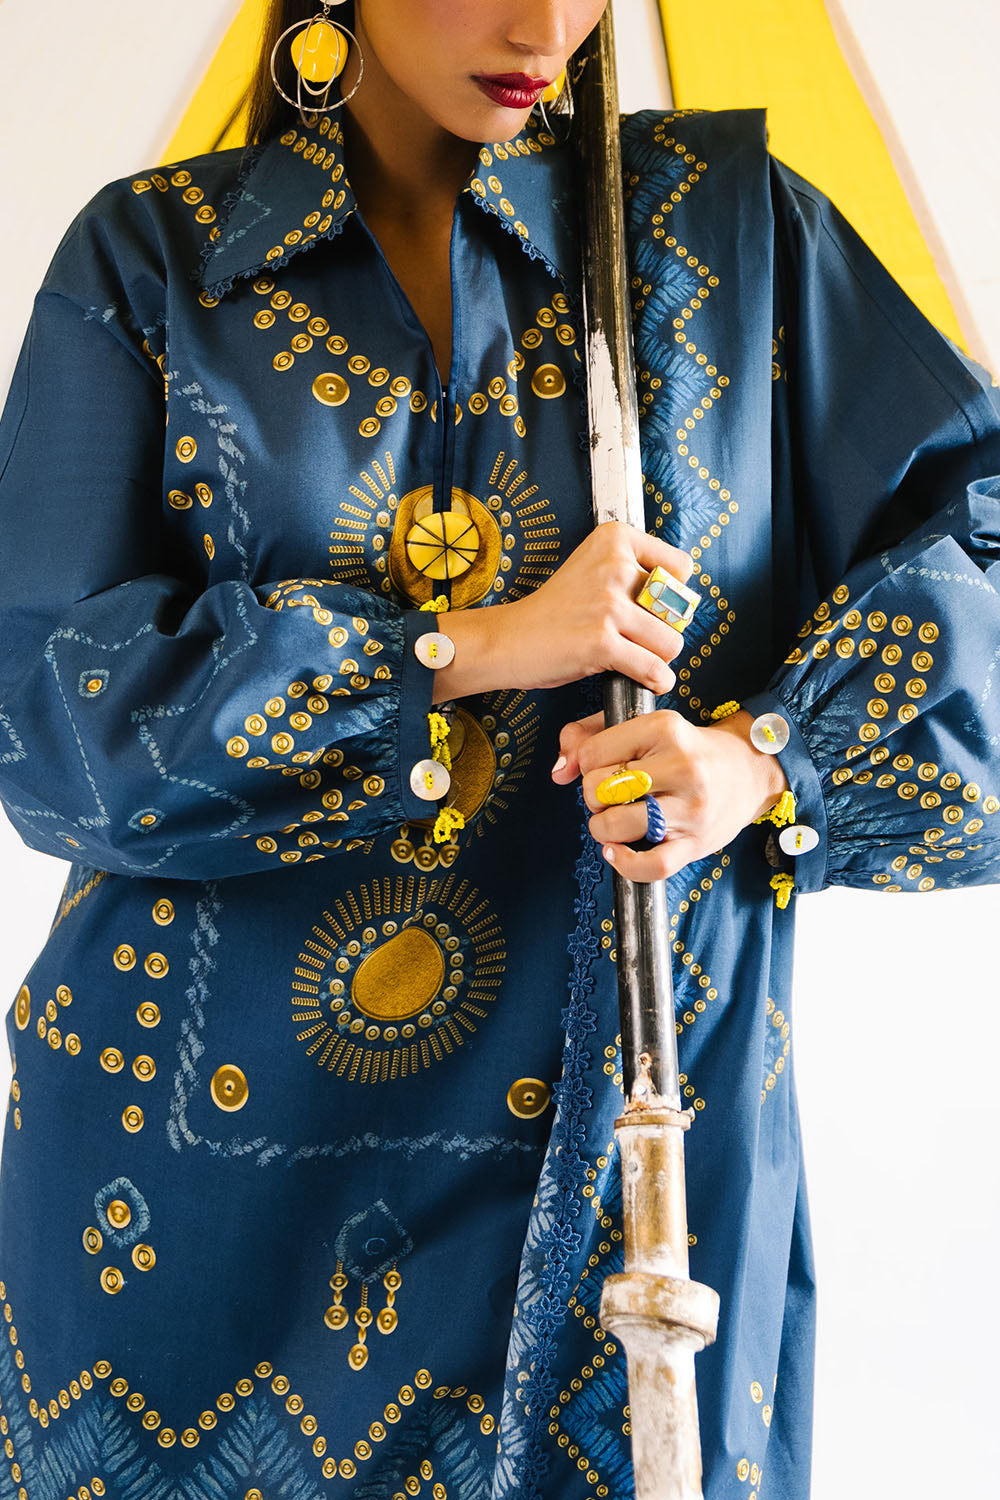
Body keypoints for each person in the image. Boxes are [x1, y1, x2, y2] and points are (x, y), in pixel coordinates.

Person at [0, 2, 997, 1497]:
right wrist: (463, 648)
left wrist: (761, 762)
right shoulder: (157, 260)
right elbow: (41, 717)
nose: (541, 23)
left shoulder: (729, 247)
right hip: (193, 1231)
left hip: (627, 1206)